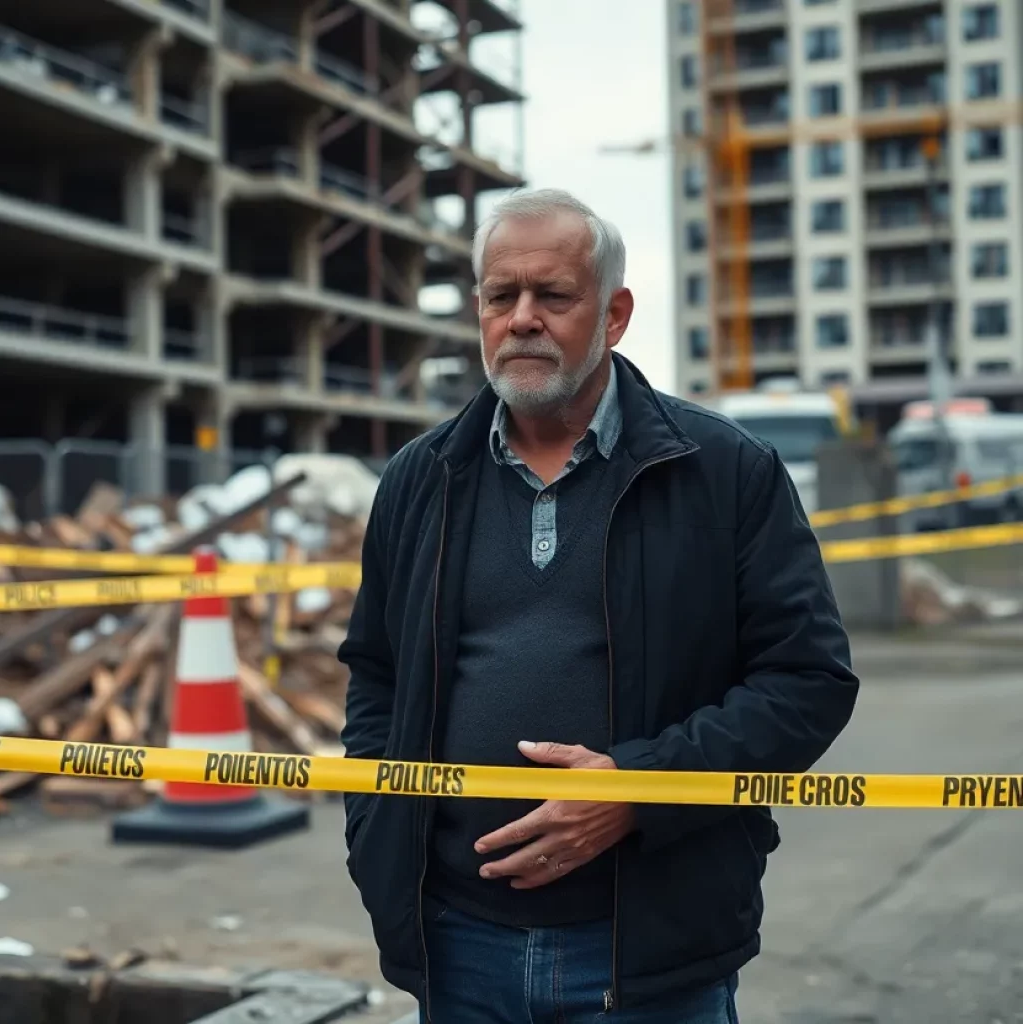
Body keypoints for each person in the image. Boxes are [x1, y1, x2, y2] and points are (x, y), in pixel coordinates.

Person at [338, 188, 859, 1023]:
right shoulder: (418, 480)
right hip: (456, 948)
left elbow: (807, 683)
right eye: (501, 296)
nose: (523, 320)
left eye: (554, 296)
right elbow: (375, 678)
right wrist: (377, 837)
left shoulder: (723, 471)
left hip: (649, 953)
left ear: (614, 314)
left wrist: (639, 790)